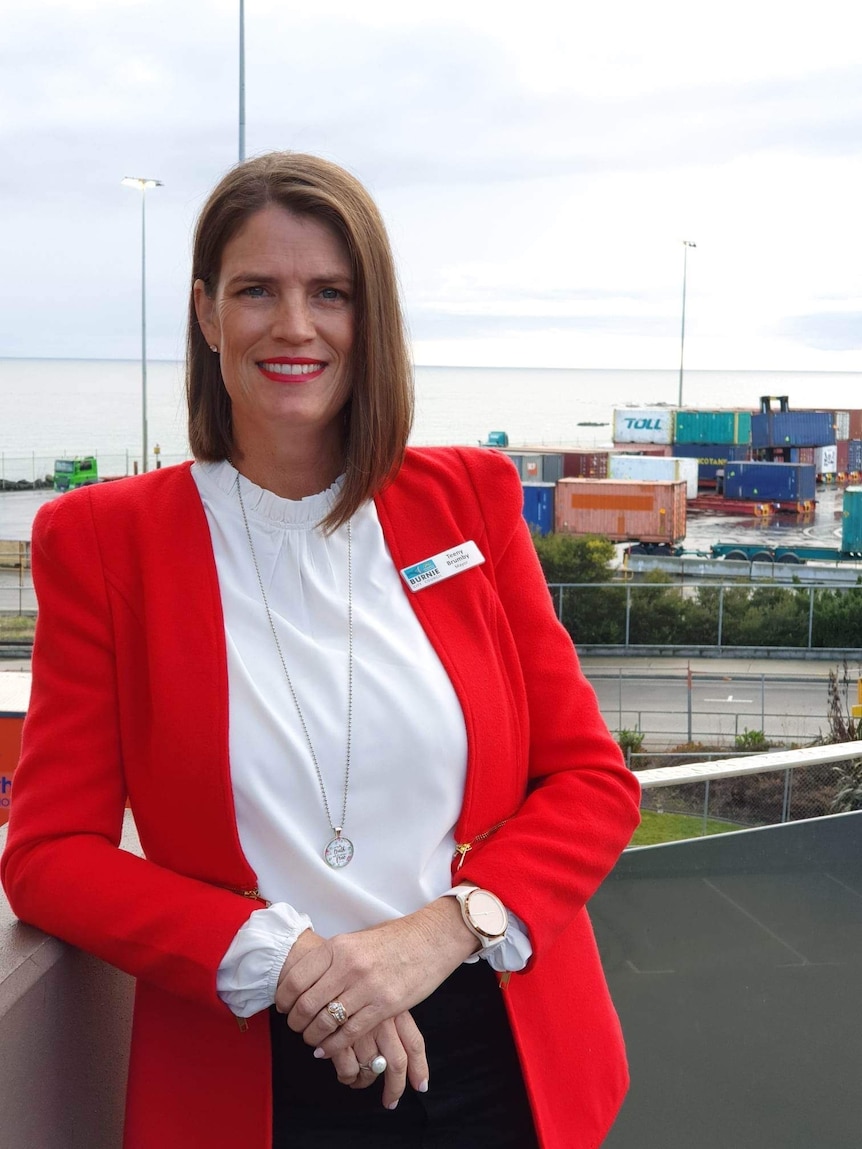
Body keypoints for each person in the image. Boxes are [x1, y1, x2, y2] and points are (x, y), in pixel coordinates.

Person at [1, 152, 641, 1149]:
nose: (294, 326)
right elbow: (48, 855)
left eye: (329, 293)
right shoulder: (102, 543)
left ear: (367, 319)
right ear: (208, 315)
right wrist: (291, 959)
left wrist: (434, 936)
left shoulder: (468, 503)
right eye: (258, 290)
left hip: (500, 1057)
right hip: (248, 1070)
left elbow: (592, 781)